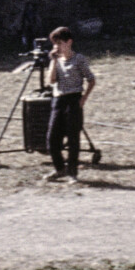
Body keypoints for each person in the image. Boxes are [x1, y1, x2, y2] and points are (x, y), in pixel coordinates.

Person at [44, 26, 96, 182]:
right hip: (58, 100)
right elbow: (51, 81)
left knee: (73, 138)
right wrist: (53, 61)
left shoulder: (78, 59)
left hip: (74, 100)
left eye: (60, 43)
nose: (57, 47)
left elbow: (91, 79)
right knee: (52, 138)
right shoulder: (56, 60)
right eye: (55, 44)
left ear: (69, 42)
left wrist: (84, 98)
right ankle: (60, 169)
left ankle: (72, 172)